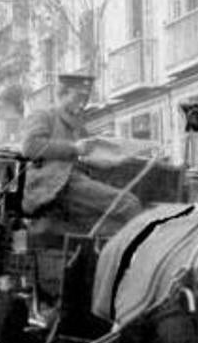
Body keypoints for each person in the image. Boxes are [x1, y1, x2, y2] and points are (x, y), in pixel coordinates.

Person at [20, 72, 141, 235]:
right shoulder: (43, 115)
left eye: (86, 98)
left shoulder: (78, 125)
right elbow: (30, 147)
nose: (83, 103)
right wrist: (74, 148)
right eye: (79, 97)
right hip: (53, 184)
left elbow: (85, 158)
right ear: (63, 93)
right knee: (129, 204)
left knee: (114, 227)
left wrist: (115, 160)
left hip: (73, 185)